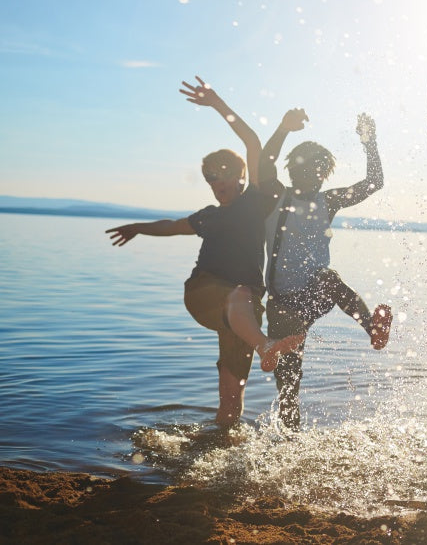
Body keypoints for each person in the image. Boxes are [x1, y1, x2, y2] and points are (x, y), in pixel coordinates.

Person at [106, 76, 304, 428]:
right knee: (239, 294)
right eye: (211, 177)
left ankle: (218, 448)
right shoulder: (209, 217)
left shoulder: (255, 200)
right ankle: (266, 346)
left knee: (231, 400)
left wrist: (218, 104)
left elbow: (252, 139)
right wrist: (138, 228)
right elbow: (172, 225)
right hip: (205, 292)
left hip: (243, 315)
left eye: (225, 174)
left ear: (243, 175)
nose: (218, 182)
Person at [258, 108, 392, 431]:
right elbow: (264, 165)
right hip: (281, 306)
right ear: (293, 171)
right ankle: (290, 446)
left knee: (328, 278)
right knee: (289, 388)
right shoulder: (276, 196)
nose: (313, 178)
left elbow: (374, 182)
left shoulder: (327, 202)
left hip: (313, 296)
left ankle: (372, 328)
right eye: (306, 171)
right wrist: (283, 128)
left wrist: (369, 141)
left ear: (324, 175)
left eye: (319, 173)